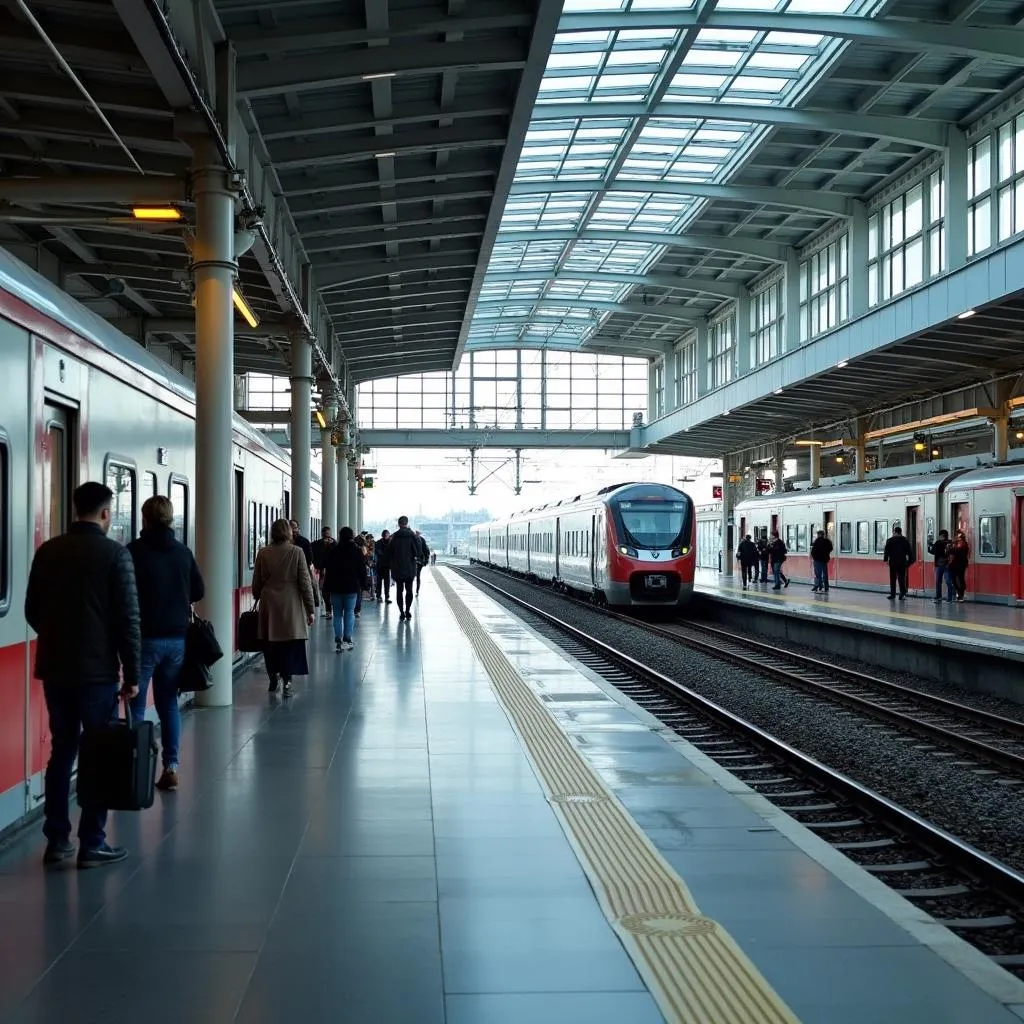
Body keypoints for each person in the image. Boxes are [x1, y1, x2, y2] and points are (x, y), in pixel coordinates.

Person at [25, 481, 141, 869]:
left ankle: (57, 840)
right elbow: (128, 620)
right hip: (98, 674)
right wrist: (133, 675)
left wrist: (59, 637)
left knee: (63, 752)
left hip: (56, 670)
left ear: (76, 509)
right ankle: (92, 841)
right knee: (99, 754)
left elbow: (31, 611)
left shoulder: (47, 552)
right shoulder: (115, 555)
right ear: (106, 513)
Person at [127, 495, 205, 792]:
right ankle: (171, 766)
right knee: (168, 702)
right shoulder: (182, 553)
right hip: (175, 639)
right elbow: (198, 589)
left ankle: (134, 766)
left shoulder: (133, 552)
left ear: (144, 518)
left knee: (136, 703)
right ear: (171, 519)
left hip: (143, 638)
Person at [253, 518, 315, 697]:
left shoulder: (263, 553)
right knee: (290, 644)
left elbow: (256, 583)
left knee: (270, 642)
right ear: (289, 533)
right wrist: (310, 609)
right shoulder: (297, 552)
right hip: (291, 604)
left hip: (269, 604)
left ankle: (273, 676)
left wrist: (260, 596)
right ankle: (287, 681)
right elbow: (305, 583)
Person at [323, 527, 366, 652]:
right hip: (351, 587)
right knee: (349, 612)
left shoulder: (333, 550)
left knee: (337, 613)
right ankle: (348, 638)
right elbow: (362, 570)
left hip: (335, 587)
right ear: (352, 536)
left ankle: (338, 639)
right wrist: (363, 585)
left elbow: (326, 566)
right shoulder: (357, 551)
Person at [389, 516, 420, 619]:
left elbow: (390, 552)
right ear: (407, 523)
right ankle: (407, 611)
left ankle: (401, 612)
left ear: (399, 524)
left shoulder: (394, 537)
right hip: (410, 568)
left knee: (399, 590)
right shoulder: (412, 536)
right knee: (409, 590)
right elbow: (418, 552)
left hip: (397, 568)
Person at [883, 524, 914, 601]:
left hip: (893, 563)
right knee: (901, 579)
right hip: (902, 563)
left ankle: (892, 595)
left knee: (892, 579)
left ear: (895, 532)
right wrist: (909, 562)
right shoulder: (905, 540)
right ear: (900, 532)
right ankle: (902, 594)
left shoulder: (889, 540)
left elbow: (886, 551)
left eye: (893, 532)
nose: (893, 534)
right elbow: (909, 552)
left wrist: (886, 560)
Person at [311, 527, 336, 619]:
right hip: (321, 570)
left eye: (328, 534)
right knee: (324, 590)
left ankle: (329, 609)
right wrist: (318, 566)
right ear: (322, 534)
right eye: (325, 534)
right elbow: (313, 554)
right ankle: (328, 609)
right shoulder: (317, 544)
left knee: (327, 591)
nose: (327, 537)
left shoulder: (334, 544)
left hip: (331, 571)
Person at [928, 529, 953, 603]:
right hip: (947, 565)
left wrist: (930, 546)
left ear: (941, 536)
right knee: (948, 581)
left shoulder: (938, 543)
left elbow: (932, 551)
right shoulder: (950, 543)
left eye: (940, 536)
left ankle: (938, 597)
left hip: (939, 565)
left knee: (938, 581)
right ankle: (950, 598)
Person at [949, 529, 970, 602]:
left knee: (960, 579)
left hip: (960, 564)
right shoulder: (956, 543)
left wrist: (951, 548)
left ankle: (961, 594)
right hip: (955, 564)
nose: (957, 537)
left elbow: (957, 551)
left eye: (958, 536)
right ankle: (959, 593)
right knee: (954, 579)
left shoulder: (963, 544)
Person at [375, 529, 392, 603]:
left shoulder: (390, 543)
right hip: (381, 565)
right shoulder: (380, 542)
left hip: (385, 565)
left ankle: (386, 597)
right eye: (385, 535)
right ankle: (379, 596)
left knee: (386, 582)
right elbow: (378, 552)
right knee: (380, 582)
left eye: (387, 535)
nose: (386, 536)